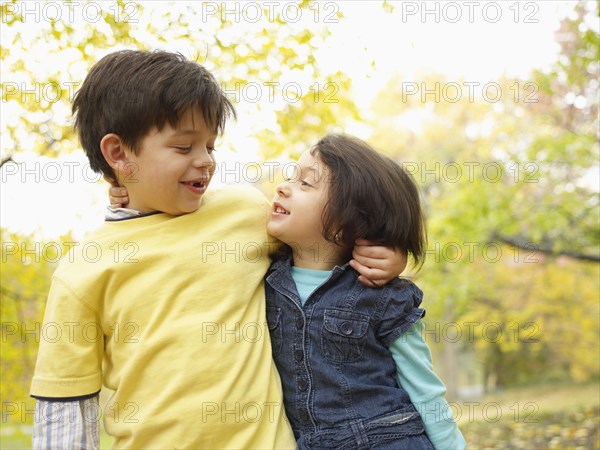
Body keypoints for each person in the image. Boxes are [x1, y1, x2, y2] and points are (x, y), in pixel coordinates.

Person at [30, 50, 406, 449]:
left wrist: (382, 252)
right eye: (183, 147)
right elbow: (66, 404)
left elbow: (322, 244)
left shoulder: (244, 212)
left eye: (210, 145)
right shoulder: (83, 271)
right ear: (119, 154)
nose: (205, 161)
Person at [264, 134, 466, 449]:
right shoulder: (263, 276)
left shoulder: (382, 295)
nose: (283, 187)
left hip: (391, 439)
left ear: (353, 221)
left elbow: (425, 388)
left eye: (306, 184)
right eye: (292, 176)